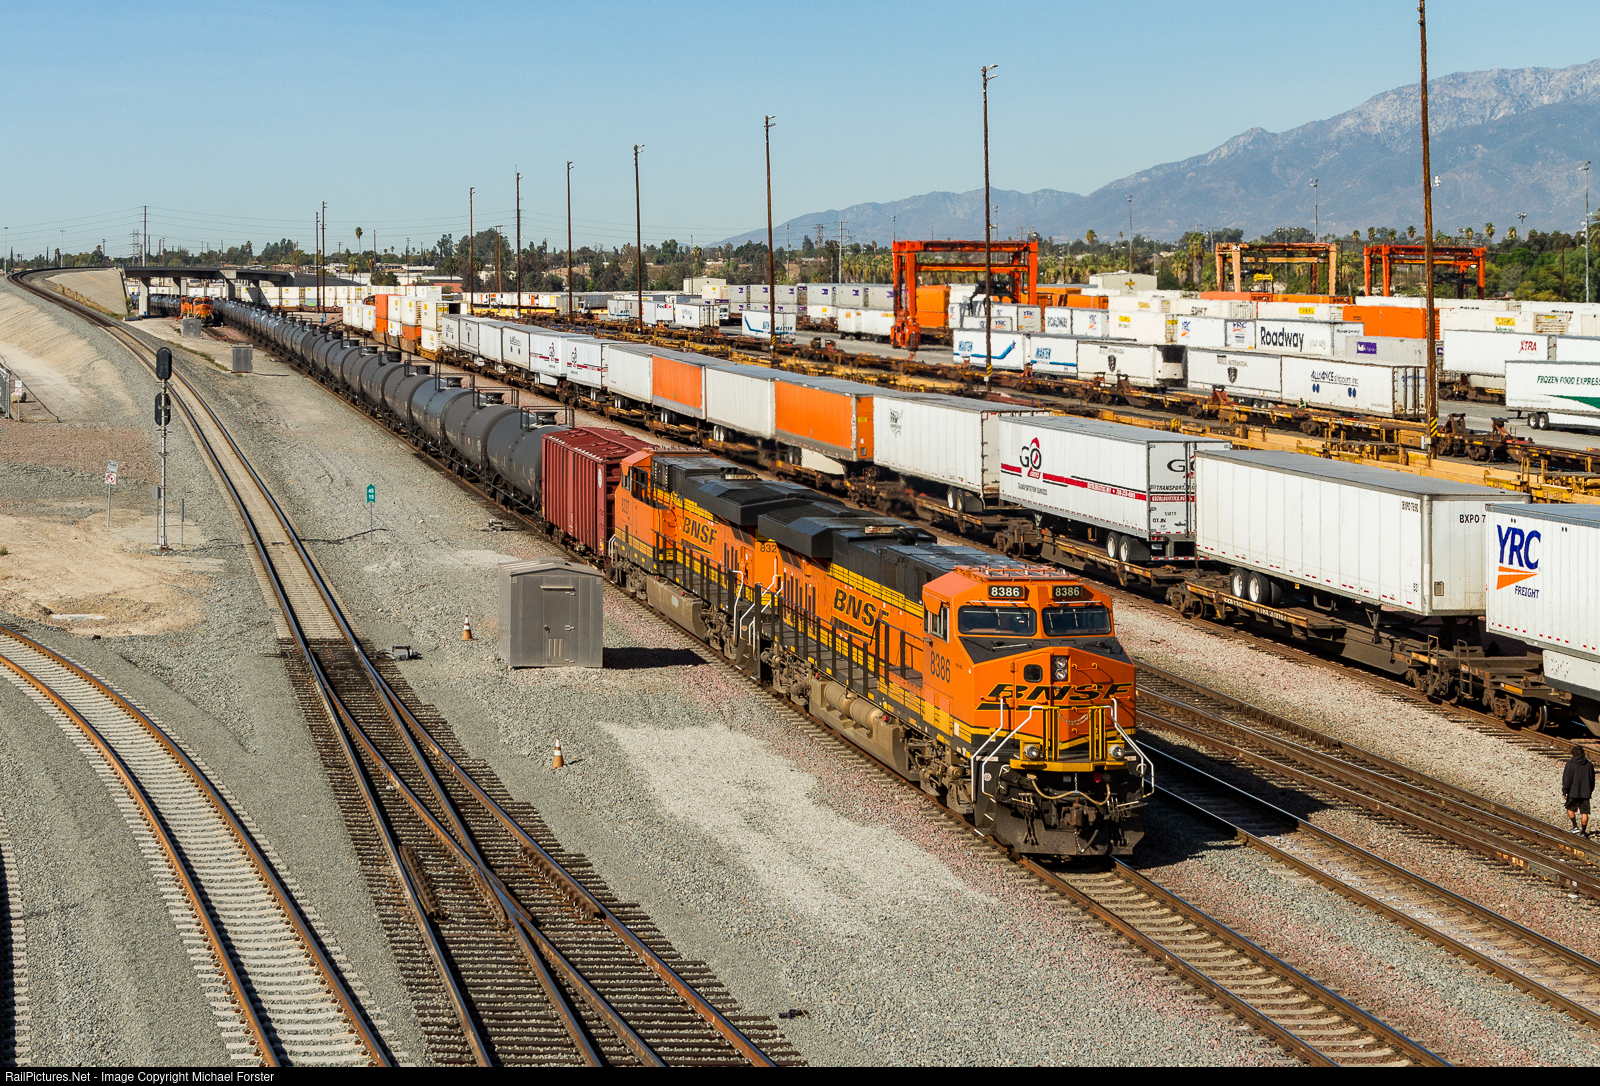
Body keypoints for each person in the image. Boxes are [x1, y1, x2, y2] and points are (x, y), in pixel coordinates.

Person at [1562, 745, 1595, 835]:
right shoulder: (1589, 765)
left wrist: (1565, 791)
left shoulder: (1570, 764)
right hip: (1586, 792)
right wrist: (1590, 790)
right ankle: (1583, 832)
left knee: (1569, 808)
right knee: (1584, 812)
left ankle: (1575, 826)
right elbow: (1592, 779)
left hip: (1573, 792)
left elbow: (1567, 779)